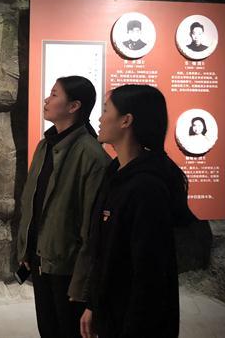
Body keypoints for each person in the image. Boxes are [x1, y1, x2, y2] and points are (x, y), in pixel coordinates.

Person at [80, 85, 196, 338]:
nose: (100, 118)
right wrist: (93, 304)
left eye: (106, 110)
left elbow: (149, 275)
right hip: (112, 313)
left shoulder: (146, 188)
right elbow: (104, 252)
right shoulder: (115, 174)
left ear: (126, 120)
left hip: (135, 323)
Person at [17, 76, 110, 338]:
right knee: (48, 330)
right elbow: (33, 202)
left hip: (68, 269)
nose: (47, 100)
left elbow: (91, 228)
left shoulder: (91, 156)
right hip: (41, 260)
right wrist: (26, 248)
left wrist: (84, 284)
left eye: (55, 94)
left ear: (74, 106)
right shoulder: (45, 146)